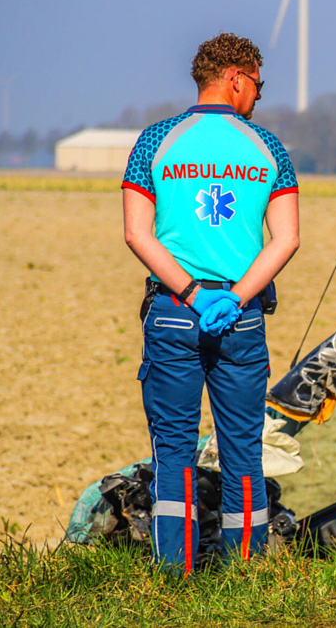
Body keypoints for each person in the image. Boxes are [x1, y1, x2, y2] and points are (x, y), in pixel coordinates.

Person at [122, 32, 300, 575]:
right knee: (243, 450)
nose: (260, 96)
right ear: (236, 79)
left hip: (174, 312)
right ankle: (245, 572)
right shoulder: (269, 147)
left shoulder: (155, 141)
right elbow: (286, 239)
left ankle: (175, 576)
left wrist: (192, 294)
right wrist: (234, 297)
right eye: (259, 85)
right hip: (240, 317)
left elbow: (137, 233)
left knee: (172, 453)